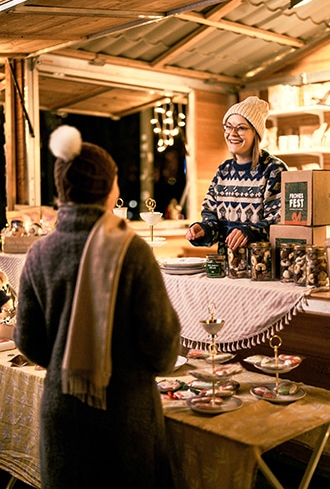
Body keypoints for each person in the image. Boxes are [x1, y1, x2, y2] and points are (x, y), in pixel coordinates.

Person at [14, 125, 181, 489]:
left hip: (63, 409)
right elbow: (164, 345)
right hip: (126, 415)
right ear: (109, 188)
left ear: (62, 189)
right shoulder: (132, 250)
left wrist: (66, 360)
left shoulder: (39, 252)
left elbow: (27, 339)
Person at [186, 96, 288, 252]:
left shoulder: (274, 170)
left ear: (256, 133)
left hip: (262, 268)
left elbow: (280, 222)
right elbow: (211, 217)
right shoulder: (223, 171)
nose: (232, 133)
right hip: (229, 268)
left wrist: (249, 232)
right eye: (228, 126)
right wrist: (203, 229)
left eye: (241, 128)